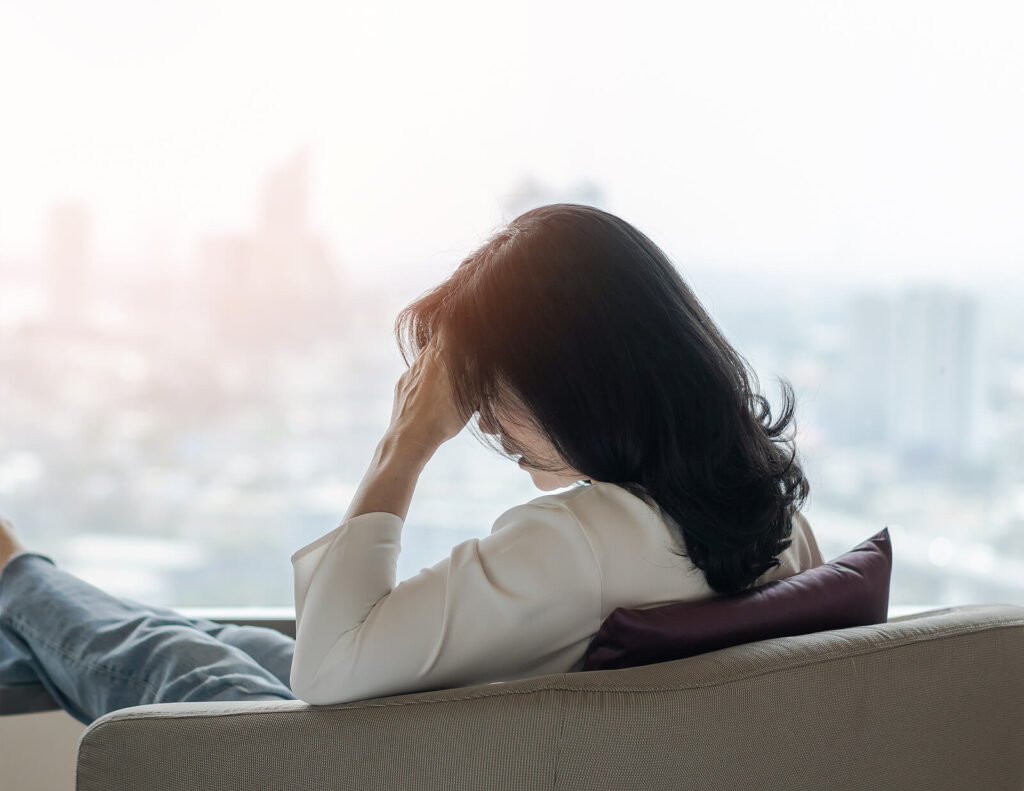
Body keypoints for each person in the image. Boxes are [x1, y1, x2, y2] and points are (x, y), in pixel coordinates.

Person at [0, 203, 823, 725]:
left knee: (170, 658)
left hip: (378, 772)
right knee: (233, 640)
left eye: (490, 392)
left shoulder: (584, 540)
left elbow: (325, 669)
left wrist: (405, 443)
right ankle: (24, 607)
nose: (490, 425)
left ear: (573, 381)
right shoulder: (780, 525)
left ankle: (14, 573)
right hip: (484, 743)